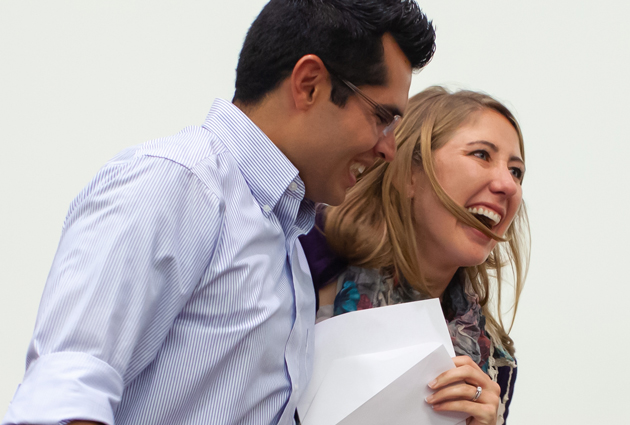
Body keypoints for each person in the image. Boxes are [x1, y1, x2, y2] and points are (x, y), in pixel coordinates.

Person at [2, 1, 436, 425]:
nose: (388, 147)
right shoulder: (174, 184)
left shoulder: (289, 247)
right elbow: (65, 395)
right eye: (382, 117)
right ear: (309, 84)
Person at [301, 86, 529, 425]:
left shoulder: (494, 360)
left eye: (516, 171)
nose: (508, 185)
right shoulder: (304, 266)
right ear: (410, 173)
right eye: (481, 155)